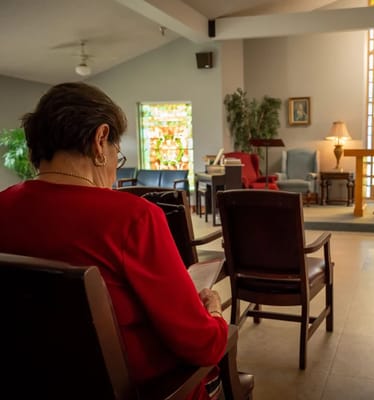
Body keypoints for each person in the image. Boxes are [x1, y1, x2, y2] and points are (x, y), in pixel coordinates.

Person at [0, 82, 227, 400]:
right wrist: (214, 314)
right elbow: (201, 344)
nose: (115, 173)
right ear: (100, 139)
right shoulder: (132, 217)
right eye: (116, 157)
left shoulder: (4, 206)